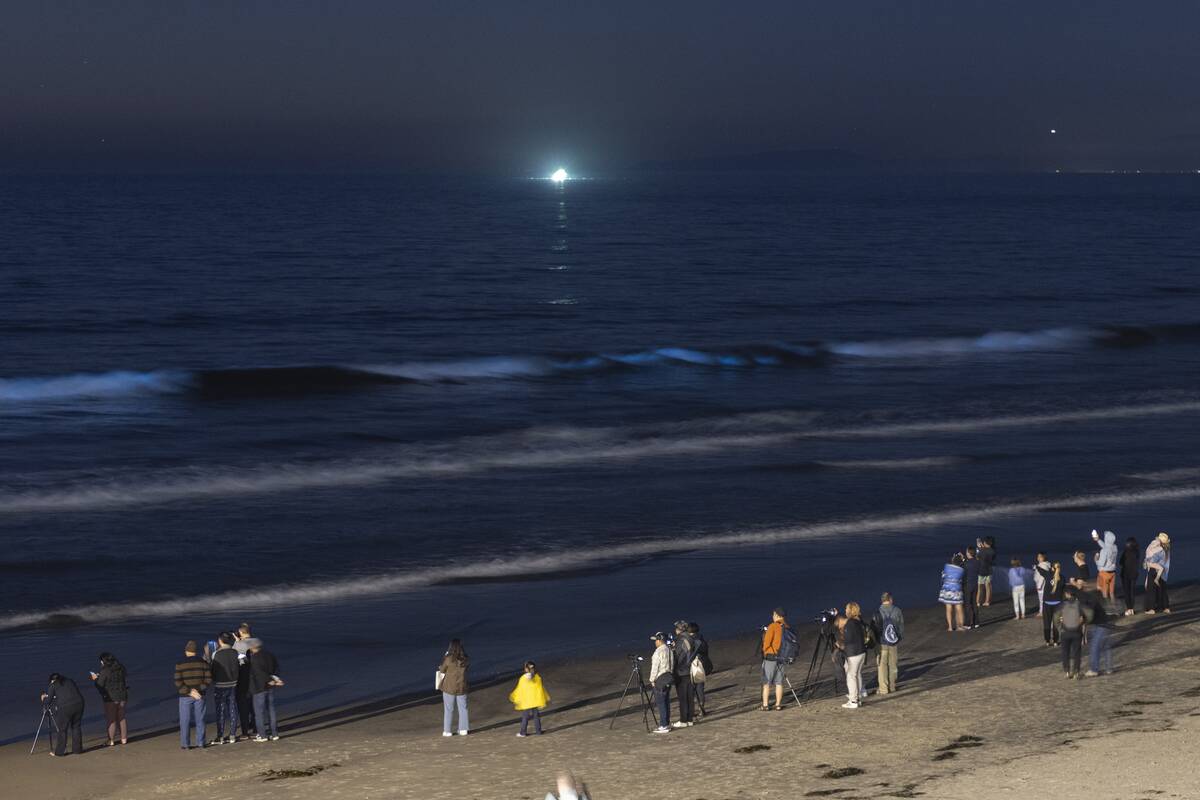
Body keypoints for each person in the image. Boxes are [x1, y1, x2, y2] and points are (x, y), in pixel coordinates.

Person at [174, 640, 212, 749]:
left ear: (186, 651)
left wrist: (190, 691)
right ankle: (201, 742)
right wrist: (198, 690)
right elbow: (208, 680)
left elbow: (177, 681)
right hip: (200, 695)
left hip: (185, 696)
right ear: (196, 651)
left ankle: (185, 744)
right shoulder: (203, 663)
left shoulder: (180, 663)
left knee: (185, 720)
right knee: (200, 719)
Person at [1073, 577, 1114, 677]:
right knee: (1105, 647)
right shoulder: (1096, 595)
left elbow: (1089, 613)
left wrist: (1080, 622)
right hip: (1101, 624)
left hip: (1101, 625)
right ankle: (1109, 668)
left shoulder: (1091, 597)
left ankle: (1094, 670)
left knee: (1094, 647)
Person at [42, 673, 85, 757]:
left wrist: (43, 698)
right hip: (79, 703)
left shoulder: (53, 685)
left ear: (52, 680)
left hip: (66, 707)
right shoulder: (69, 681)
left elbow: (48, 701)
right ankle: (77, 750)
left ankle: (60, 752)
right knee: (76, 726)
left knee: (62, 729)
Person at [91, 652, 129, 746]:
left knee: (111, 719)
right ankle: (124, 739)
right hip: (122, 695)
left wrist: (95, 678)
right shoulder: (120, 667)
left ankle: (111, 740)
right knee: (122, 718)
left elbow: (100, 685)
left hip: (111, 698)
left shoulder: (105, 670)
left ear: (103, 661)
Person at [248, 641, 283, 741]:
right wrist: (275, 679)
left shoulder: (254, 658)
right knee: (271, 710)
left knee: (259, 712)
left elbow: (259, 673)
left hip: (259, 688)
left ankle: (262, 735)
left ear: (252, 647)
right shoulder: (269, 655)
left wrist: (270, 680)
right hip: (269, 687)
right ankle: (274, 733)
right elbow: (277, 668)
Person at [1053, 586, 1091, 679]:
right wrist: (1083, 623)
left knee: (1065, 652)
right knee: (1077, 653)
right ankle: (1076, 672)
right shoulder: (1079, 604)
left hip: (1065, 632)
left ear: (1067, 594)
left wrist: (1059, 628)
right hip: (1077, 632)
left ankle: (1067, 671)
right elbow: (1088, 615)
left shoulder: (1062, 605)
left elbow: (1055, 618)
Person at [210, 633, 241, 744]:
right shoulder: (235, 652)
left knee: (221, 710)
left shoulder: (216, 654)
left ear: (220, 641)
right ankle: (232, 734)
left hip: (220, 685)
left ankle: (220, 736)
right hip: (233, 684)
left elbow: (213, 669)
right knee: (232, 707)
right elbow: (240, 665)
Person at [871, 592, 904, 694]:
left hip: (881, 643)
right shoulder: (897, 610)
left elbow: (873, 629)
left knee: (882, 666)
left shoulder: (877, 612)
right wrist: (898, 638)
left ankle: (883, 689)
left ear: (882, 600)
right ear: (890, 600)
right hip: (893, 642)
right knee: (893, 665)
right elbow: (901, 627)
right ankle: (892, 686)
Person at [510, 660, 550, 737]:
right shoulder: (537, 677)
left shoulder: (523, 678)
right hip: (535, 700)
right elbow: (540, 689)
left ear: (526, 669)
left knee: (525, 717)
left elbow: (520, 690)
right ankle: (538, 731)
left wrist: (516, 698)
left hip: (527, 702)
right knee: (536, 716)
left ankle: (523, 732)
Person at [234, 624, 260, 740]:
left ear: (241, 633)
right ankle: (255, 728)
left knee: (243, 706)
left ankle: (245, 732)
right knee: (254, 705)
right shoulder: (256, 641)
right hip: (255, 679)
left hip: (243, 680)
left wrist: (237, 642)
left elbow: (234, 655)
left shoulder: (239, 644)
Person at [439, 639, 470, 737]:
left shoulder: (448, 658)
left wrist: (445, 656)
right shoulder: (465, 659)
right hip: (462, 686)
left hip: (449, 687)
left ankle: (447, 731)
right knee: (463, 708)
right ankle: (463, 729)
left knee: (449, 709)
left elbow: (442, 670)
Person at [760, 608, 789, 711]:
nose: (772, 617)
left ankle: (765, 705)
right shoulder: (786, 627)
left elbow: (766, 645)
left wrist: (765, 651)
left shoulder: (772, 626)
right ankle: (778, 704)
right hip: (782, 658)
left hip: (771, 658)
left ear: (777, 615)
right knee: (779, 682)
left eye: (773, 615)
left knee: (766, 683)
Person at [841, 602, 867, 709]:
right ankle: (857, 696)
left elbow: (848, 639)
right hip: (861, 652)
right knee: (857, 675)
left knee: (851, 676)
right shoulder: (859, 620)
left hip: (854, 653)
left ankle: (853, 700)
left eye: (846, 608)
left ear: (851, 610)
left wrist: (841, 644)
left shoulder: (850, 623)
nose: (845, 610)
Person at [671, 620, 696, 728]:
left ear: (679, 629)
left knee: (683, 697)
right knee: (690, 696)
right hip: (690, 670)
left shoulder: (680, 640)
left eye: (676, 628)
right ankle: (689, 719)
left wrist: (672, 649)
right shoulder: (691, 638)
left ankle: (683, 720)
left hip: (681, 672)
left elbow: (678, 657)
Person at [688, 622, 712, 716]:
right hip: (702, 665)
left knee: (695, 688)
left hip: (697, 665)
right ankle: (701, 708)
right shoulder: (701, 638)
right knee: (700, 688)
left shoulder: (694, 640)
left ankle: (698, 710)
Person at [1144, 533, 1171, 614]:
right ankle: (1166, 607)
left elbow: (1150, 557)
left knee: (1151, 589)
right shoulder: (1167, 549)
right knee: (1163, 590)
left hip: (1155, 569)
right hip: (1164, 571)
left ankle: (1151, 609)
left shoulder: (1158, 548)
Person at [1039, 561, 1065, 645]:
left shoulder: (1048, 575)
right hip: (1058, 603)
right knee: (1056, 623)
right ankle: (1055, 641)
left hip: (1047, 603)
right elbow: (1063, 591)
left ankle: (1047, 641)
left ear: (1052, 568)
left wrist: (1036, 567)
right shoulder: (1062, 578)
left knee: (1047, 622)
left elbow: (1041, 571)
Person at [939, 554, 966, 632]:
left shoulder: (947, 567)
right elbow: (962, 580)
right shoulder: (961, 570)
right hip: (957, 590)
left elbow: (943, 577)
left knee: (948, 609)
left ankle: (950, 627)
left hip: (947, 589)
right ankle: (960, 626)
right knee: (959, 608)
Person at [1092, 530, 1118, 602]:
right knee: (1111, 592)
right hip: (1112, 573)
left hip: (1104, 573)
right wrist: (1098, 540)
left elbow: (1101, 563)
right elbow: (1107, 547)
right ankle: (1114, 606)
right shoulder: (1115, 547)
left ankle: (1107, 607)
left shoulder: (1104, 551)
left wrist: (1096, 559)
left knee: (1104, 592)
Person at [1119, 536, 1140, 616]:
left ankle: (1129, 609)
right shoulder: (1137, 551)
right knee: (1132, 592)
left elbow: (1120, 562)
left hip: (1126, 573)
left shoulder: (1126, 551)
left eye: (1127, 543)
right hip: (1134, 574)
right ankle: (1131, 609)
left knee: (1127, 592)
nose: (1126, 544)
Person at [962, 546, 980, 629]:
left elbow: (963, 574)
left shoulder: (965, 564)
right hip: (975, 585)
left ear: (968, 553)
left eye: (966, 552)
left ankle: (968, 624)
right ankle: (976, 622)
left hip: (967, 586)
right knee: (974, 604)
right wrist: (964, 560)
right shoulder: (977, 562)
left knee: (967, 605)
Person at [976, 537, 996, 607]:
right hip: (989, 570)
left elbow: (977, 558)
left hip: (981, 571)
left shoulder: (982, 551)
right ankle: (987, 601)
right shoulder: (993, 551)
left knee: (980, 587)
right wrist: (983, 548)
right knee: (988, 587)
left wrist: (979, 549)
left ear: (985, 543)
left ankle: (978, 602)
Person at [1033, 552, 1050, 617]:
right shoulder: (1043, 564)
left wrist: (1039, 585)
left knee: (1042, 599)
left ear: (1043, 557)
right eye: (1037, 556)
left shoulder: (1043, 565)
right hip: (1042, 584)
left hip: (1042, 585)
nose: (1038, 558)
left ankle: (1042, 612)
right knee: (1042, 599)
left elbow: (1043, 576)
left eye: (1039, 557)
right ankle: (1042, 611)